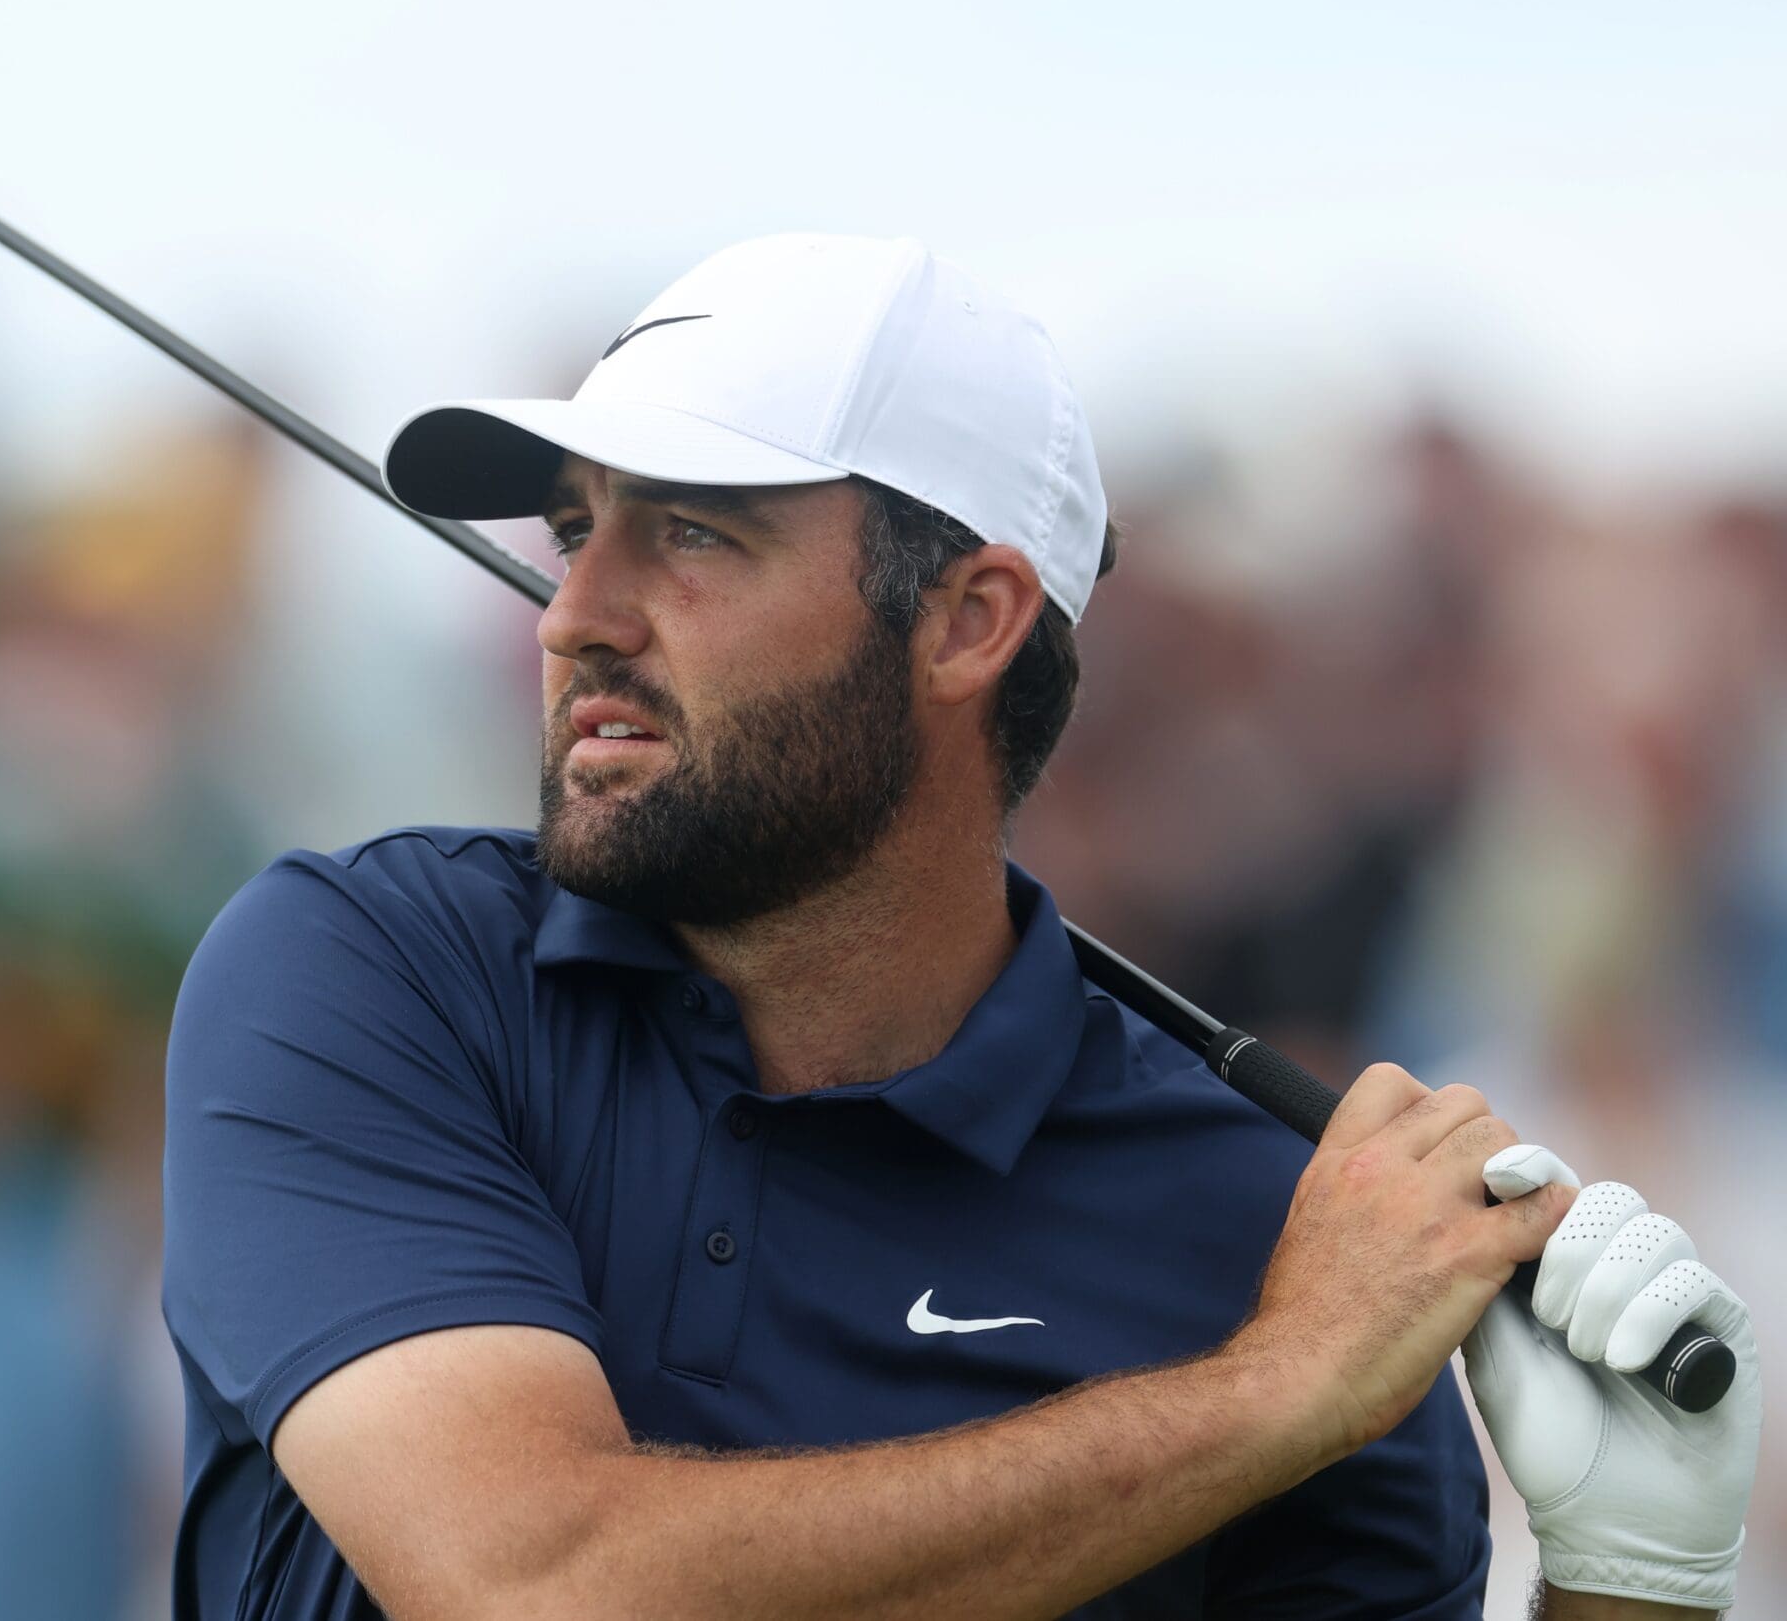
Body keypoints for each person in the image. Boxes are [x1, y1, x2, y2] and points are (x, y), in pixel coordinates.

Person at [162, 235, 1761, 1618]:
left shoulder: (1269, 1234)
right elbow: (538, 1582)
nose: (576, 611)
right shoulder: (369, 975)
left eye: (696, 532)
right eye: (582, 529)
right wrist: (1270, 1394)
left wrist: (1634, 1583)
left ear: (969, 621)